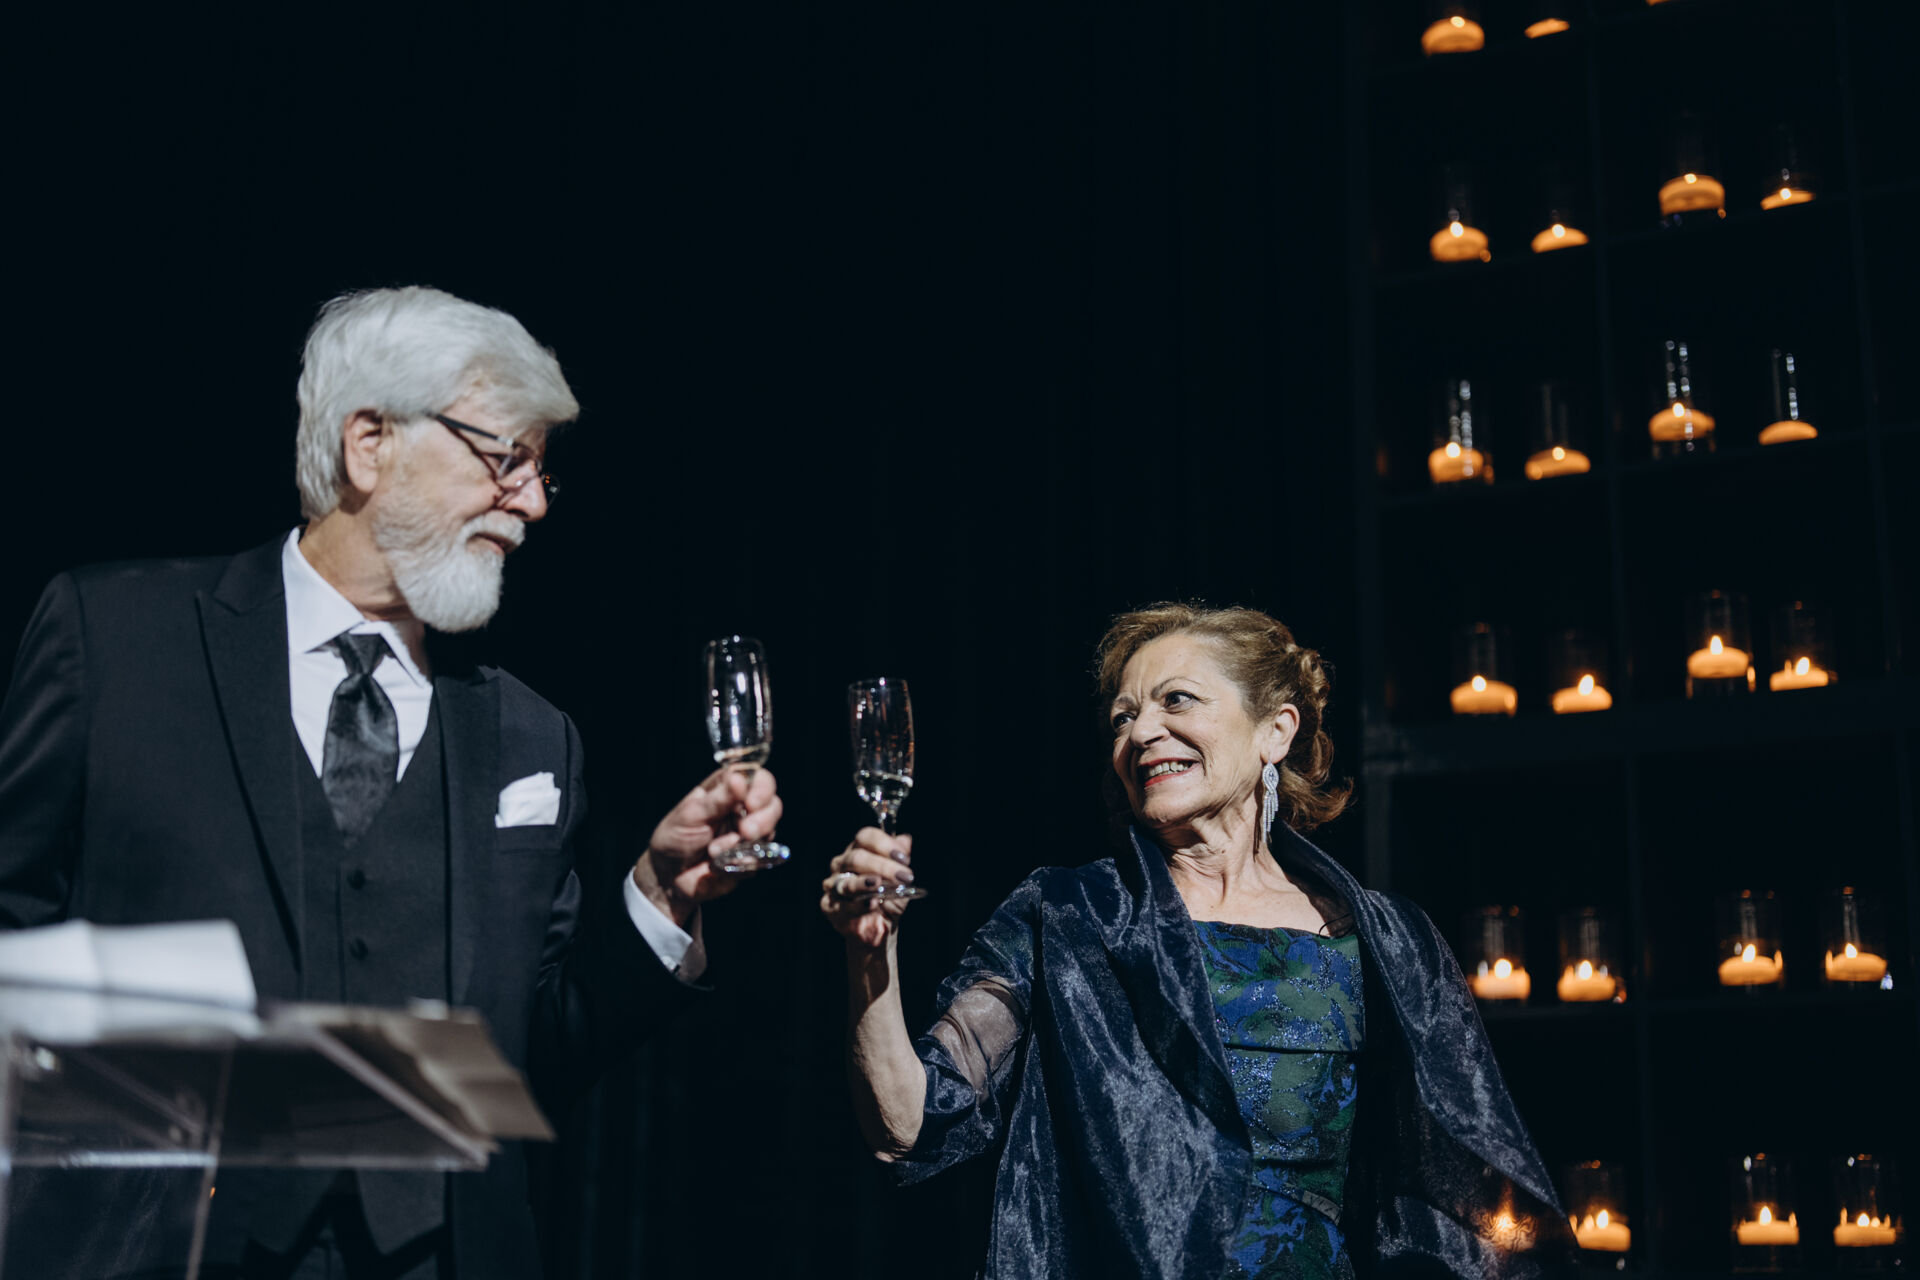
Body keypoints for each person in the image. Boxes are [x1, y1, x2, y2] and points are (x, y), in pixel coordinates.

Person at [0, 286, 783, 1279]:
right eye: (504, 458)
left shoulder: (533, 736)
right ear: (368, 443)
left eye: (542, 471)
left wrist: (660, 900)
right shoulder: (113, 639)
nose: (534, 502)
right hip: (154, 1250)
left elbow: (528, 1059)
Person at [821, 604, 1573, 1279]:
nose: (1142, 732)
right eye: (1123, 718)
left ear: (1275, 730)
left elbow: (1462, 1202)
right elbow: (908, 1124)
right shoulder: (1068, 915)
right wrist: (869, 956)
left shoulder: (1386, 941)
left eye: (1176, 700)